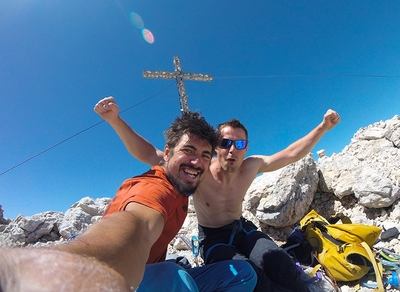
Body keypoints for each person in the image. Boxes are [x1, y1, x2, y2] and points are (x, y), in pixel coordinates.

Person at [94, 96, 341, 292]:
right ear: (216, 148)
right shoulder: (199, 169)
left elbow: (290, 154)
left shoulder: (251, 166)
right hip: (213, 238)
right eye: (225, 143)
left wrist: (323, 128)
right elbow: (149, 153)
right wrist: (116, 120)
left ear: (246, 148)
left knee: (278, 261)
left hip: (242, 228)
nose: (232, 150)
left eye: (240, 144)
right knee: (249, 276)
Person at [0, 112, 257, 292]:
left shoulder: (184, 184)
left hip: (146, 270)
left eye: (204, 155)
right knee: (173, 276)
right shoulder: (156, 188)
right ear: (166, 153)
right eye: (188, 151)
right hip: (124, 281)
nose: (196, 162)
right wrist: (40, 270)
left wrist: (115, 119)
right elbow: (136, 226)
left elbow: (144, 150)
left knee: (242, 273)